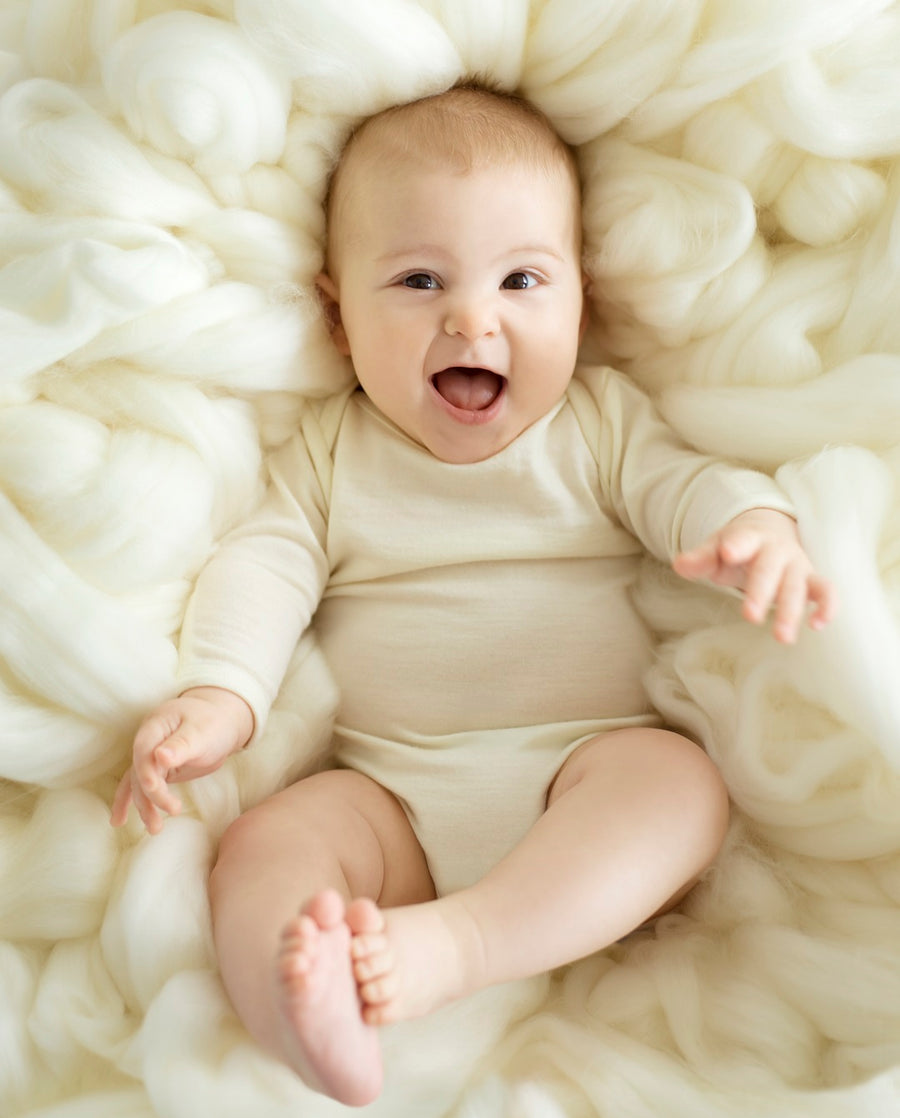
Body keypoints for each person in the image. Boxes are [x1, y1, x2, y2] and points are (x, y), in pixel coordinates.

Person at [111, 82, 836, 1107]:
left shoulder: (596, 423)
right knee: (269, 843)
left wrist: (755, 528)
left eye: (522, 279)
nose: (471, 316)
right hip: (393, 799)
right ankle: (299, 1007)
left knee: (680, 786)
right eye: (417, 279)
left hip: (578, 775)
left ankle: (462, 940)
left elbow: (684, 484)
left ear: (583, 296)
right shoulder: (328, 454)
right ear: (337, 314)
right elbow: (263, 565)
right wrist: (224, 696)